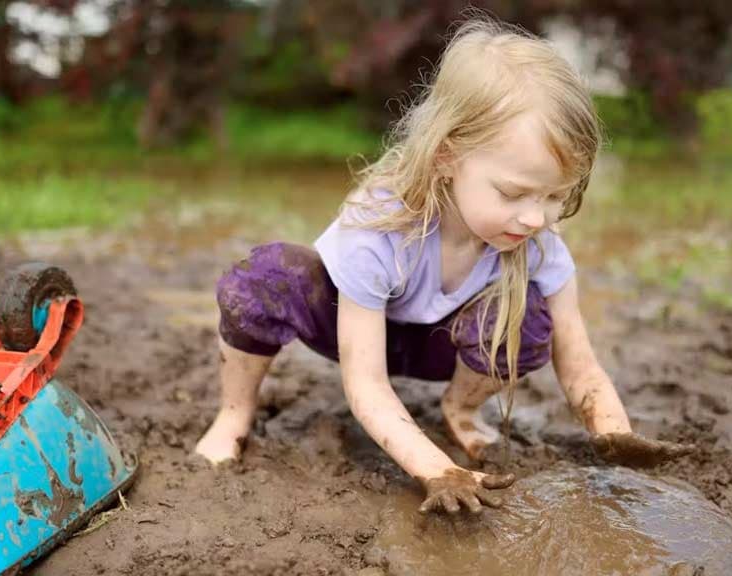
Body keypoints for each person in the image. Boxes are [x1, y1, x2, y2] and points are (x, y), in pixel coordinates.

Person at [194, 18, 692, 514]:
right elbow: (364, 383)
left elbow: (578, 361)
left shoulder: (538, 241)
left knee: (529, 315)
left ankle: (460, 407)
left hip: (443, 349)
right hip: (355, 335)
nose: (536, 216)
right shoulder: (379, 228)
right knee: (265, 277)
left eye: (556, 195)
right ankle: (234, 415)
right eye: (513, 193)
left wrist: (614, 432)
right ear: (447, 156)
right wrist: (436, 470)